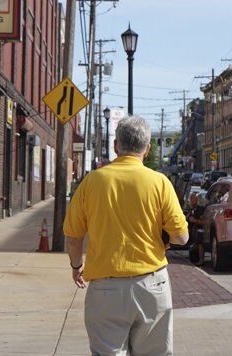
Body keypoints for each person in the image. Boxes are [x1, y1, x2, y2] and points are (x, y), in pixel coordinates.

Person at [64, 115, 189, 356]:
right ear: (147, 149)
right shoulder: (160, 183)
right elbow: (181, 237)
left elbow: (73, 236)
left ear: (115, 146)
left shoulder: (92, 182)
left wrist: (76, 265)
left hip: (105, 287)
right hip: (152, 283)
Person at [185, 192, 205, 266]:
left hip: (200, 230)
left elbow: (204, 222)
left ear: (196, 199)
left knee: (200, 244)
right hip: (193, 230)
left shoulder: (200, 209)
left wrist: (194, 220)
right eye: (190, 198)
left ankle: (201, 260)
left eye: (192, 198)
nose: (190, 200)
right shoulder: (192, 209)